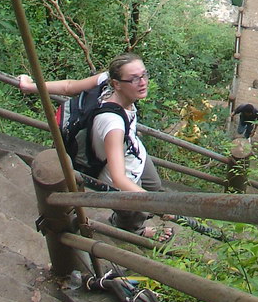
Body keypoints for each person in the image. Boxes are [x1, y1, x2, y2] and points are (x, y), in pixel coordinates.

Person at [17, 53, 168, 237]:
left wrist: (29, 87)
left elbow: (69, 86)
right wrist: (158, 204)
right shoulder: (113, 125)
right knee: (135, 209)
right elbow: (119, 178)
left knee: (154, 184)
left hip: (133, 151)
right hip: (122, 172)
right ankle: (133, 230)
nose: (142, 82)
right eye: (134, 79)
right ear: (117, 84)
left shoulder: (105, 81)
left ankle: (143, 210)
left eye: (144, 75)